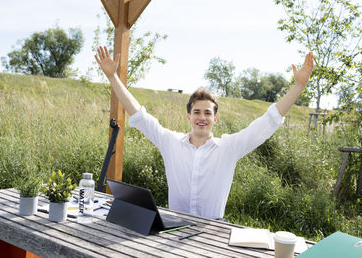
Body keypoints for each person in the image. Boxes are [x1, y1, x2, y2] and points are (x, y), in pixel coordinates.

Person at [95, 46, 314, 219]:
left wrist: (299, 86)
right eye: (196, 112)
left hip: (213, 231)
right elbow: (138, 114)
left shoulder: (229, 147)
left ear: (215, 119)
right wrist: (113, 77)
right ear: (188, 117)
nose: (202, 117)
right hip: (174, 227)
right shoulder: (169, 141)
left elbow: (268, 122)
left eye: (207, 113)